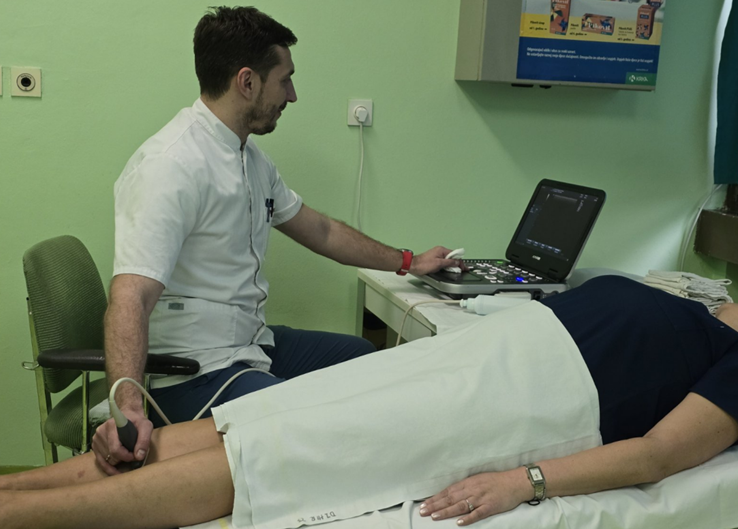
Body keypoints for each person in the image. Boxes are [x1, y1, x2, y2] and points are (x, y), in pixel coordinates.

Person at [2, 276, 737, 529]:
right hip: (494, 349)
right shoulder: (712, 307)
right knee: (259, 416)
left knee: (289, 450)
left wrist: (527, 480)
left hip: (528, 396)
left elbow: (659, 454)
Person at [93, 6, 461, 475]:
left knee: (367, 361)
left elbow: (321, 230)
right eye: (284, 80)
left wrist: (409, 260)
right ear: (247, 82)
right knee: (303, 428)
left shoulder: (250, 160)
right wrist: (127, 409)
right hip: (192, 371)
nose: (292, 94)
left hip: (249, 344)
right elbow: (130, 296)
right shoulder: (170, 166)